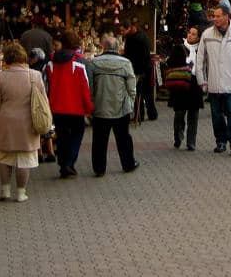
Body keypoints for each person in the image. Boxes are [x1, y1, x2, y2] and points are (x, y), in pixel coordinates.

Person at [0, 42, 47, 202]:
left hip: (5, 123)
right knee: (24, 159)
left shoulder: (2, 77)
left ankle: (5, 190)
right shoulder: (35, 76)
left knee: (5, 157)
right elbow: (43, 102)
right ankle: (21, 192)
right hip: (28, 123)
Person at [195, 5, 231, 155]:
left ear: (227, 16)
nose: (215, 19)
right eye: (214, 16)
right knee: (216, 114)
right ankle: (220, 141)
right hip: (213, 84)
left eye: (218, 16)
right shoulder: (207, 35)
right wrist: (202, 80)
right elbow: (200, 59)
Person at [87, 34, 139, 177]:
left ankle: (99, 168)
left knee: (99, 140)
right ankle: (128, 164)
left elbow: (90, 86)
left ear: (103, 47)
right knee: (123, 138)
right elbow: (131, 86)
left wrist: (92, 103)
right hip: (120, 107)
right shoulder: (125, 63)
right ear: (118, 48)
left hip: (100, 107)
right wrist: (131, 102)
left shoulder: (94, 63)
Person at [44, 29, 93, 177]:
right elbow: (85, 86)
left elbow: (46, 87)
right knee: (77, 133)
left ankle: (63, 163)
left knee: (62, 136)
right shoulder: (80, 63)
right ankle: (69, 162)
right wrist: (89, 107)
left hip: (57, 107)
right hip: (75, 107)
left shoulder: (50, 64)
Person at [164, 26, 203, 151]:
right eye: (189, 33)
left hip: (195, 85)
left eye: (194, 34)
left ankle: (191, 142)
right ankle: (178, 136)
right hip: (180, 84)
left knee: (193, 115)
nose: (190, 35)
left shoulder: (201, 50)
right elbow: (170, 63)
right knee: (179, 113)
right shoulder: (179, 48)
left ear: (198, 38)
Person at [122, 23, 157, 122]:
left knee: (138, 92)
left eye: (124, 30)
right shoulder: (142, 35)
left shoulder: (133, 39)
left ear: (132, 28)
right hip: (145, 67)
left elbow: (131, 55)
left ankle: (139, 115)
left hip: (139, 69)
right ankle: (152, 114)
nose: (123, 32)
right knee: (147, 92)